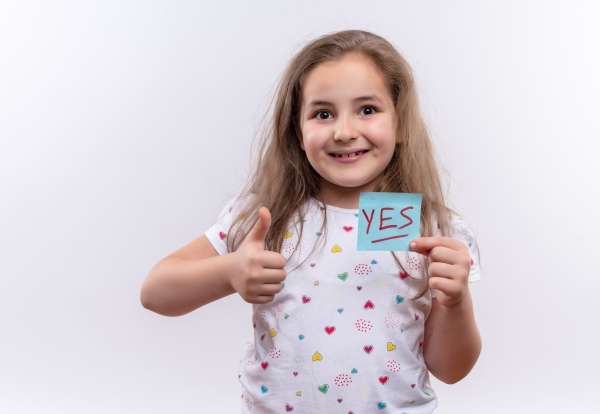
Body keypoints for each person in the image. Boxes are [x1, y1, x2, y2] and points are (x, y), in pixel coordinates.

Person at [140, 29, 483, 413]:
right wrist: (228, 272)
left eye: (367, 109)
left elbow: (451, 369)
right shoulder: (268, 214)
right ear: (297, 133)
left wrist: (455, 301)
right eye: (323, 113)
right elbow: (155, 292)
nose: (344, 131)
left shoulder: (431, 227)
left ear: (400, 122)